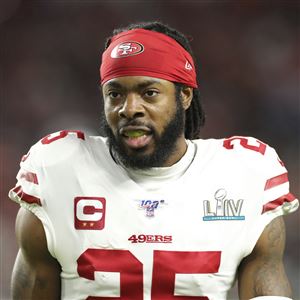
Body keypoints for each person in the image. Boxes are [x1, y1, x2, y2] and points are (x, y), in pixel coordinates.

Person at [9, 21, 298, 300]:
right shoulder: (59, 169)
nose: (129, 108)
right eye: (115, 94)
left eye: (149, 93)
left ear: (184, 96)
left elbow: (265, 281)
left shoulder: (244, 173)